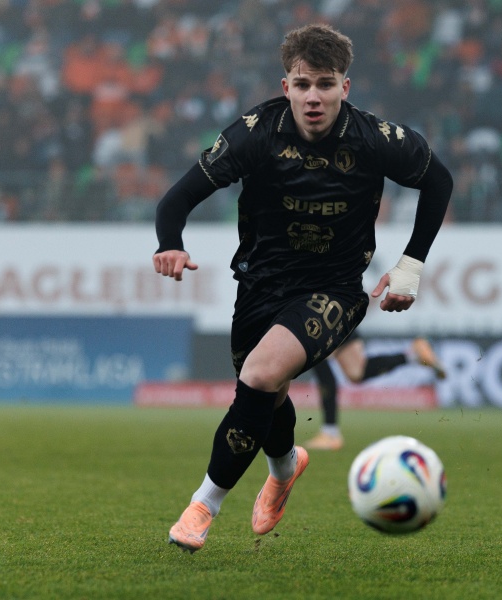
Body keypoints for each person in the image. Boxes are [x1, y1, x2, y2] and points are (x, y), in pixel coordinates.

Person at [152, 23, 453, 553]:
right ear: (286, 86)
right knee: (265, 396)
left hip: (334, 289)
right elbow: (176, 200)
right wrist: (169, 243)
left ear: (345, 87)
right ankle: (285, 467)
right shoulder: (254, 133)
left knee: (260, 374)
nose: (314, 97)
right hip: (259, 285)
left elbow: (438, 180)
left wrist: (410, 266)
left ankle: (203, 506)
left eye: (326, 84)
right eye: (303, 84)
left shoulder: (374, 139)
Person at [305, 332, 447, 450]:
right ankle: (413, 355)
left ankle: (330, 432)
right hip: (335, 314)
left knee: (318, 356)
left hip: (318, 315)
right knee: (356, 371)